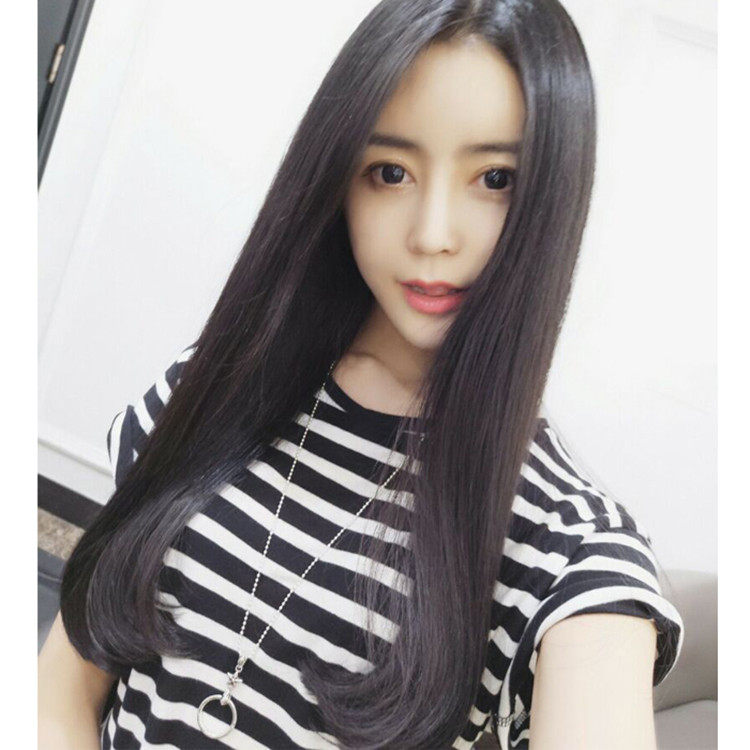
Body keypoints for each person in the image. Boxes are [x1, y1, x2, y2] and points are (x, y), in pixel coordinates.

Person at [38, 1, 684, 748]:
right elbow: (57, 695)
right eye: (390, 172)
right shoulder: (215, 386)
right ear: (338, 180)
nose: (432, 235)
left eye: (495, 178)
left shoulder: (566, 545)